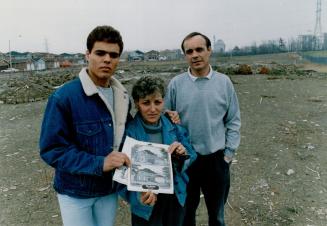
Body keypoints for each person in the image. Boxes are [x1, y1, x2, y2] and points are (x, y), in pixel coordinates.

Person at [39, 25, 131, 226]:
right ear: (87, 55)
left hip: (108, 190)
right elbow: (52, 149)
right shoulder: (64, 98)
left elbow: (130, 137)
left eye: (113, 55)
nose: (107, 59)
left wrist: (165, 118)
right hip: (75, 193)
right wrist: (100, 163)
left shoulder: (123, 96)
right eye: (100, 53)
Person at [165, 32, 241, 226]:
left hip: (216, 160)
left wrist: (228, 155)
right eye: (189, 51)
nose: (195, 55)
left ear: (209, 51)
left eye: (199, 49)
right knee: (185, 216)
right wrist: (168, 117)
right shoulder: (176, 84)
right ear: (184, 55)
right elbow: (165, 119)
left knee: (217, 217)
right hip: (185, 161)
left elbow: (233, 120)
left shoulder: (224, 83)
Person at [119, 76, 197, 226]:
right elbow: (121, 174)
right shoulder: (129, 133)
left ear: (163, 101)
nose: (153, 109)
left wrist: (182, 154)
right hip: (146, 202)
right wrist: (138, 196)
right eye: (146, 103)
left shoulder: (174, 126)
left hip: (175, 196)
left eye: (157, 102)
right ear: (137, 103)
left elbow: (191, 154)